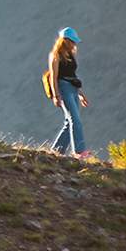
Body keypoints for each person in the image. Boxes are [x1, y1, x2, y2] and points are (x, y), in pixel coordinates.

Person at [45, 27, 91, 158]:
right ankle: (79, 151)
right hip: (63, 88)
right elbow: (54, 77)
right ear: (66, 40)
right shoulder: (55, 55)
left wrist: (80, 94)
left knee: (69, 121)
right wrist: (56, 96)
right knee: (74, 119)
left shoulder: (70, 55)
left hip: (73, 89)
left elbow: (72, 75)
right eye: (73, 41)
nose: (75, 44)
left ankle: (56, 151)